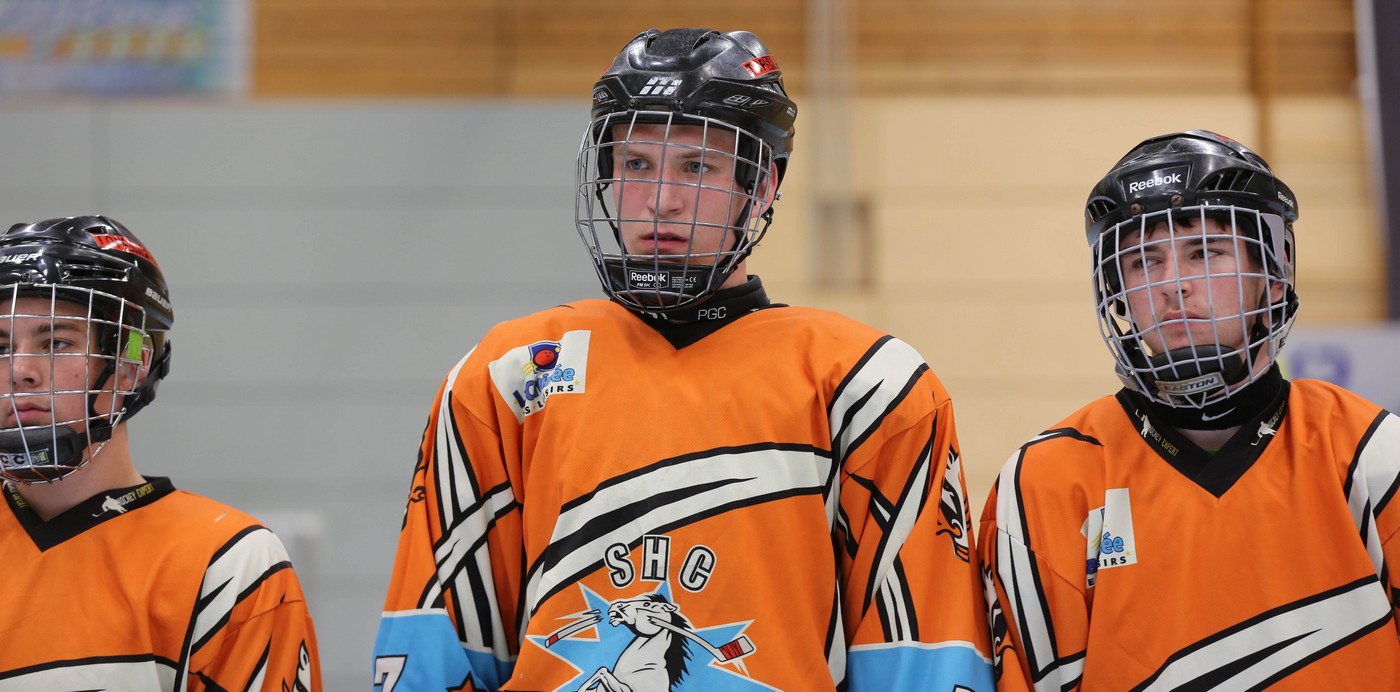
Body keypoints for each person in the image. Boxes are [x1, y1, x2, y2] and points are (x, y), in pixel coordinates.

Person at [373, 27, 994, 691]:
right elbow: (437, 643)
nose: (661, 198)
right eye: (636, 163)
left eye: (698, 167)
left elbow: (923, 657)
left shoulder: (870, 385)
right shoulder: (512, 372)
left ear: (760, 187)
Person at [979, 130, 1400, 690]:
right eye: (1143, 261)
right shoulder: (1046, 482)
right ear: (1118, 292)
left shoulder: (1371, 454)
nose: (1173, 284)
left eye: (1205, 252)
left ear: (1273, 279)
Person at [0, 216, 321, 690]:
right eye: (0, 346)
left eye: (56, 343)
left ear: (131, 365)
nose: (20, 369)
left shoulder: (229, 561)